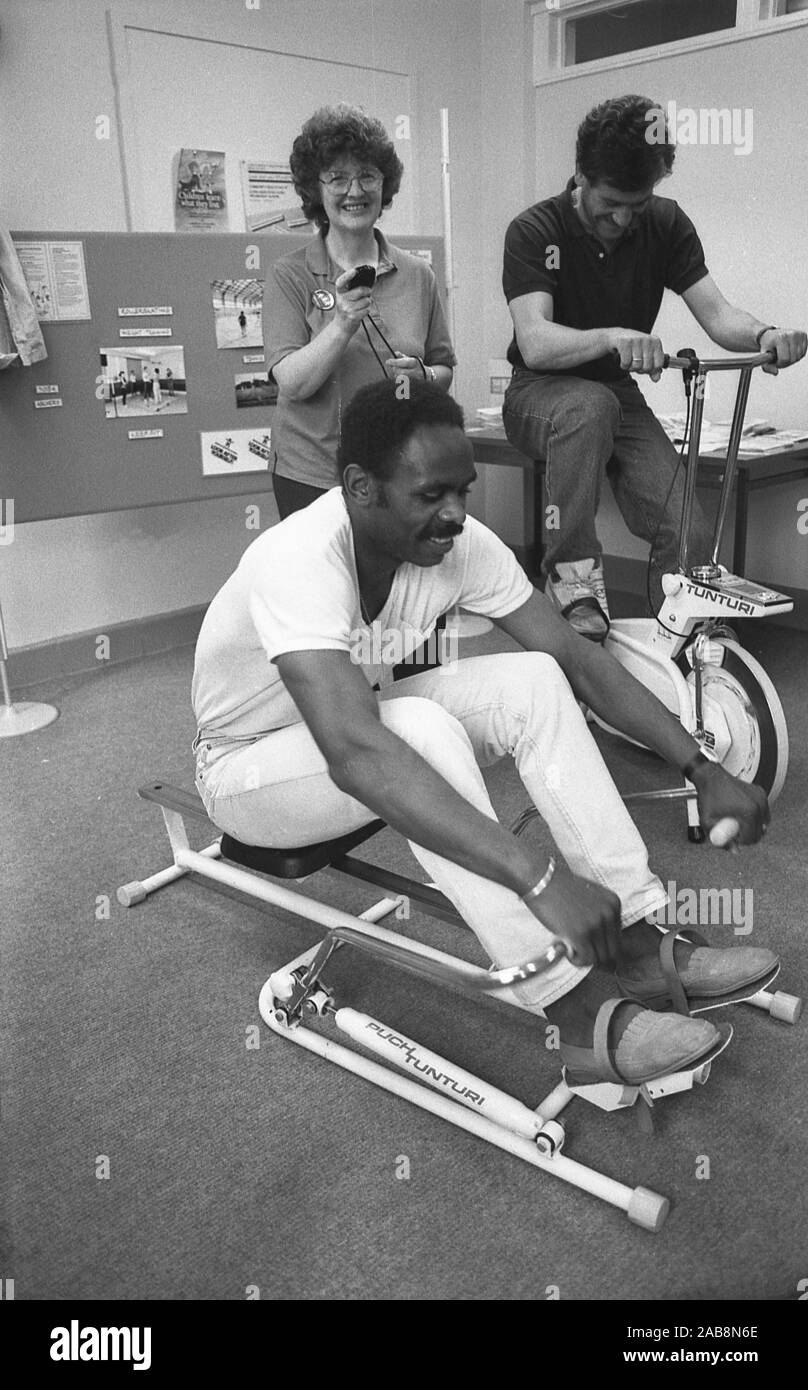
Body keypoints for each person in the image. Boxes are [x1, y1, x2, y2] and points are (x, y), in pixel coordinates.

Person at [191, 380, 779, 1091]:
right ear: (360, 487)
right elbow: (355, 754)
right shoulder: (299, 558)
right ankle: (575, 1007)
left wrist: (701, 765)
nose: (456, 515)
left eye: (464, 491)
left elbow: (575, 658)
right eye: (432, 495)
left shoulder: (457, 545)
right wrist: (541, 880)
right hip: (246, 769)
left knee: (532, 676)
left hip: (351, 730)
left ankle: (633, 933)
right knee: (415, 729)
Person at [502, 95, 807, 641]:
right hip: (539, 393)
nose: (622, 219)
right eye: (610, 202)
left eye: (637, 204)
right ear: (579, 176)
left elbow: (719, 316)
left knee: (686, 525)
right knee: (587, 405)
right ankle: (574, 586)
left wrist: (765, 334)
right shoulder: (535, 230)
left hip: (614, 396)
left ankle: (685, 636)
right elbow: (537, 343)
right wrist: (612, 336)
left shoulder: (665, 225)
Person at [265, 103, 456, 521]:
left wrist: (423, 377)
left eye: (368, 176)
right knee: (323, 586)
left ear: (384, 185)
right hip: (310, 475)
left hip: (395, 469)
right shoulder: (289, 275)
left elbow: (443, 368)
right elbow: (293, 383)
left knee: (393, 583)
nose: (355, 191)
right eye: (337, 178)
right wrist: (343, 323)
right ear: (315, 189)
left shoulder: (418, 275)